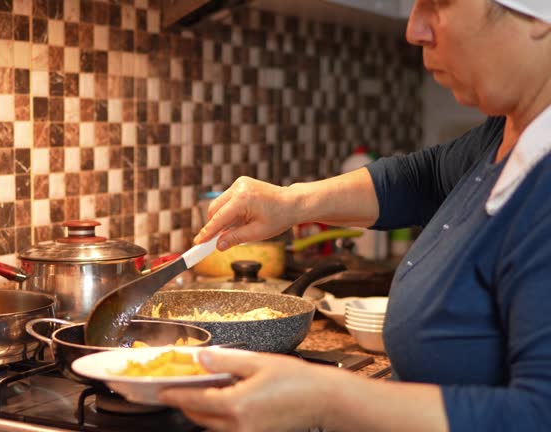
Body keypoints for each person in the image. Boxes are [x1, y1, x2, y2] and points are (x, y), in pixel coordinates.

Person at [158, 0, 551, 431]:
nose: (414, 29)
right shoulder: (510, 130)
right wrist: (291, 203)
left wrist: (325, 397)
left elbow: (537, 415)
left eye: (438, 2)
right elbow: (421, 178)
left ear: (536, 16)